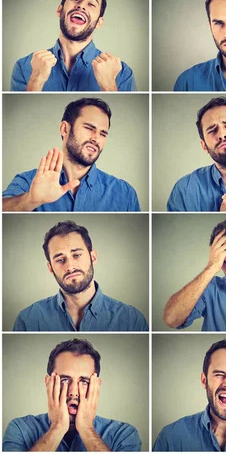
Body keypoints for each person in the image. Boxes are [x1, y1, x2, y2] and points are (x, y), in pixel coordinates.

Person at [3, 97, 141, 212]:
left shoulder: (125, 194)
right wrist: (29, 200)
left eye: (102, 133)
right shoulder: (28, 182)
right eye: (89, 128)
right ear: (65, 129)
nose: (96, 139)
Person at [3, 339, 142, 451]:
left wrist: (87, 429)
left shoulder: (124, 434)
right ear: (48, 382)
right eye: (64, 380)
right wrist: (57, 427)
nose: (73, 392)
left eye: (84, 381)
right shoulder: (20, 429)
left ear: (96, 386)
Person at [13, 220, 148, 331]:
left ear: (93, 257)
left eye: (76, 255)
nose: (70, 267)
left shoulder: (132, 320)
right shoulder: (28, 320)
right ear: (50, 268)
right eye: (60, 260)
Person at [11, 0, 136, 91]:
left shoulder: (122, 73)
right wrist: (36, 79)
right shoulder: (24, 66)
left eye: (91, 4)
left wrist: (109, 85)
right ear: (60, 10)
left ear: (99, 22)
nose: (81, 5)